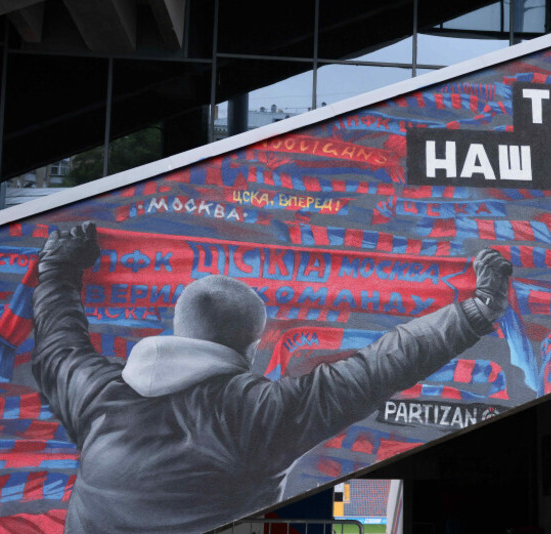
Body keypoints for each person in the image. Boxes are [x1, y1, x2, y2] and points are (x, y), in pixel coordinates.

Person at [31, 221, 513, 534]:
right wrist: (476, 311)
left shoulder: (95, 390)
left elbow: (58, 341)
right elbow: (377, 368)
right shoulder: (257, 414)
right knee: (371, 512)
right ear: (252, 345)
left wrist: (58, 267)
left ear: (180, 327)